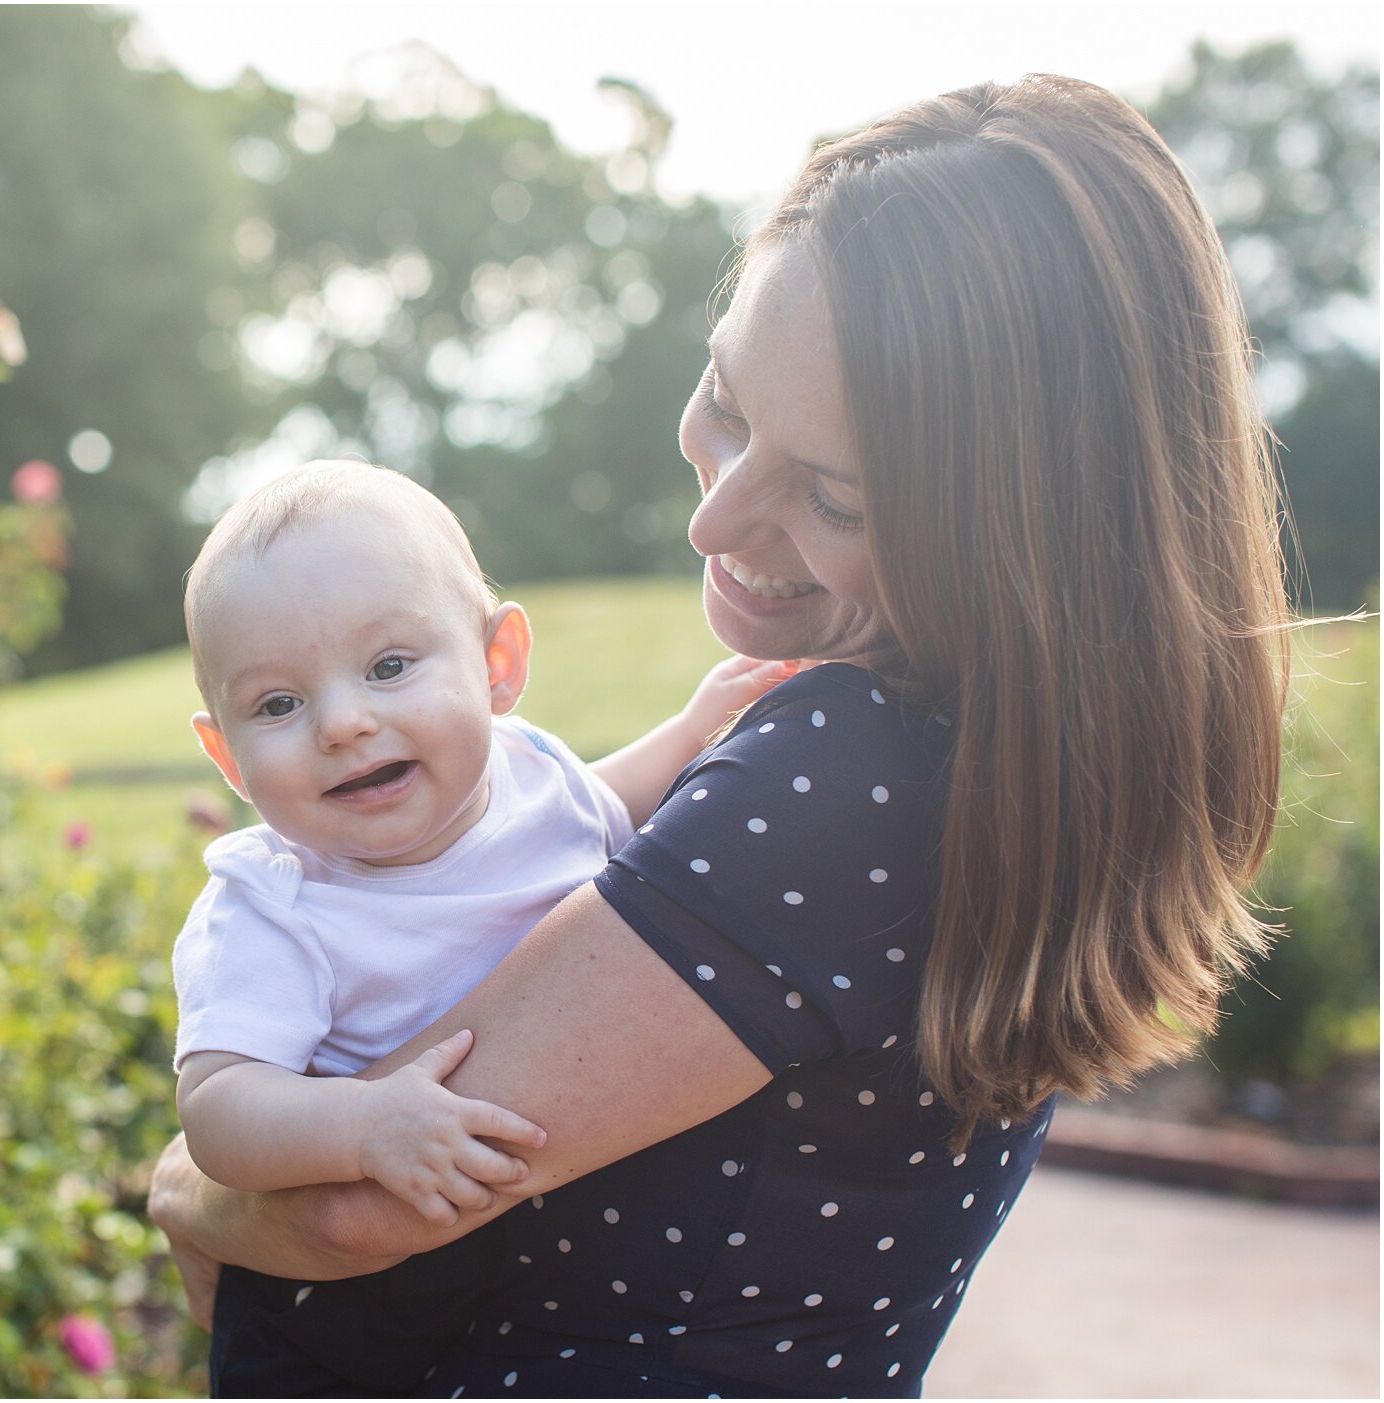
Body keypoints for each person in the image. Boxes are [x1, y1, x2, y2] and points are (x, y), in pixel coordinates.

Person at [150, 73, 1289, 1397]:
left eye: (836, 494)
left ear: (1017, 534)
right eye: (729, 401)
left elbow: (361, 1207)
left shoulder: (844, 775)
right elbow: (594, 816)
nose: (717, 518)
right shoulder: (1004, 760)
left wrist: (184, 1184)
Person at [174, 460, 794, 1393]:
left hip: (531, 1268)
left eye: (388, 666)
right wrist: (363, 1123)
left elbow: (600, 809)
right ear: (225, 753)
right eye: (277, 704)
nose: (342, 722)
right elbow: (217, 1112)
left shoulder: (531, 767)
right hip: (332, 1325)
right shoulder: (275, 904)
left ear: (498, 666)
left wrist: (692, 732)